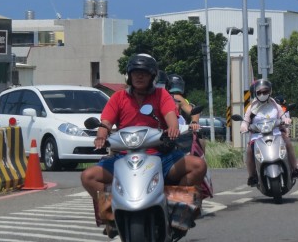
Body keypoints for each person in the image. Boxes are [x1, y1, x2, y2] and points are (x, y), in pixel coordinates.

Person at [80, 54, 207, 235]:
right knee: (88, 176)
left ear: (152, 76)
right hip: (123, 156)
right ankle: (111, 216)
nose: (139, 77)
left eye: (144, 73)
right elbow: (105, 123)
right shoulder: (118, 97)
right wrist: (101, 135)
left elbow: (170, 115)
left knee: (198, 165)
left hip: (161, 156)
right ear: (129, 76)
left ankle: (180, 207)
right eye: (135, 73)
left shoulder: (161, 94)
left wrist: (173, 128)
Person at [240, 79, 298, 186]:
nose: (262, 94)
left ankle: (295, 169)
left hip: (276, 133)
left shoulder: (276, 105)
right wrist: (243, 126)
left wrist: (286, 120)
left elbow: (283, 116)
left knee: (288, 143)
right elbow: (245, 121)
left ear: (270, 91)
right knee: (249, 151)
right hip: (257, 136)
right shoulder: (251, 108)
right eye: (259, 92)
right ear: (255, 94)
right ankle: (252, 176)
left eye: (265, 91)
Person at [167, 73, 204, 150]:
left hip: (179, 131)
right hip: (165, 132)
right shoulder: (159, 96)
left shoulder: (177, 98)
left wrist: (194, 123)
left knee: (200, 142)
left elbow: (194, 112)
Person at [273, 95, 298, 179]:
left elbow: (286, 120)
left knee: (288, 144)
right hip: (267, 133)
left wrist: (286, 122)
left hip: (281, 131)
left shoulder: (283, 110)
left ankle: (294, 169)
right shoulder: (265, 108)